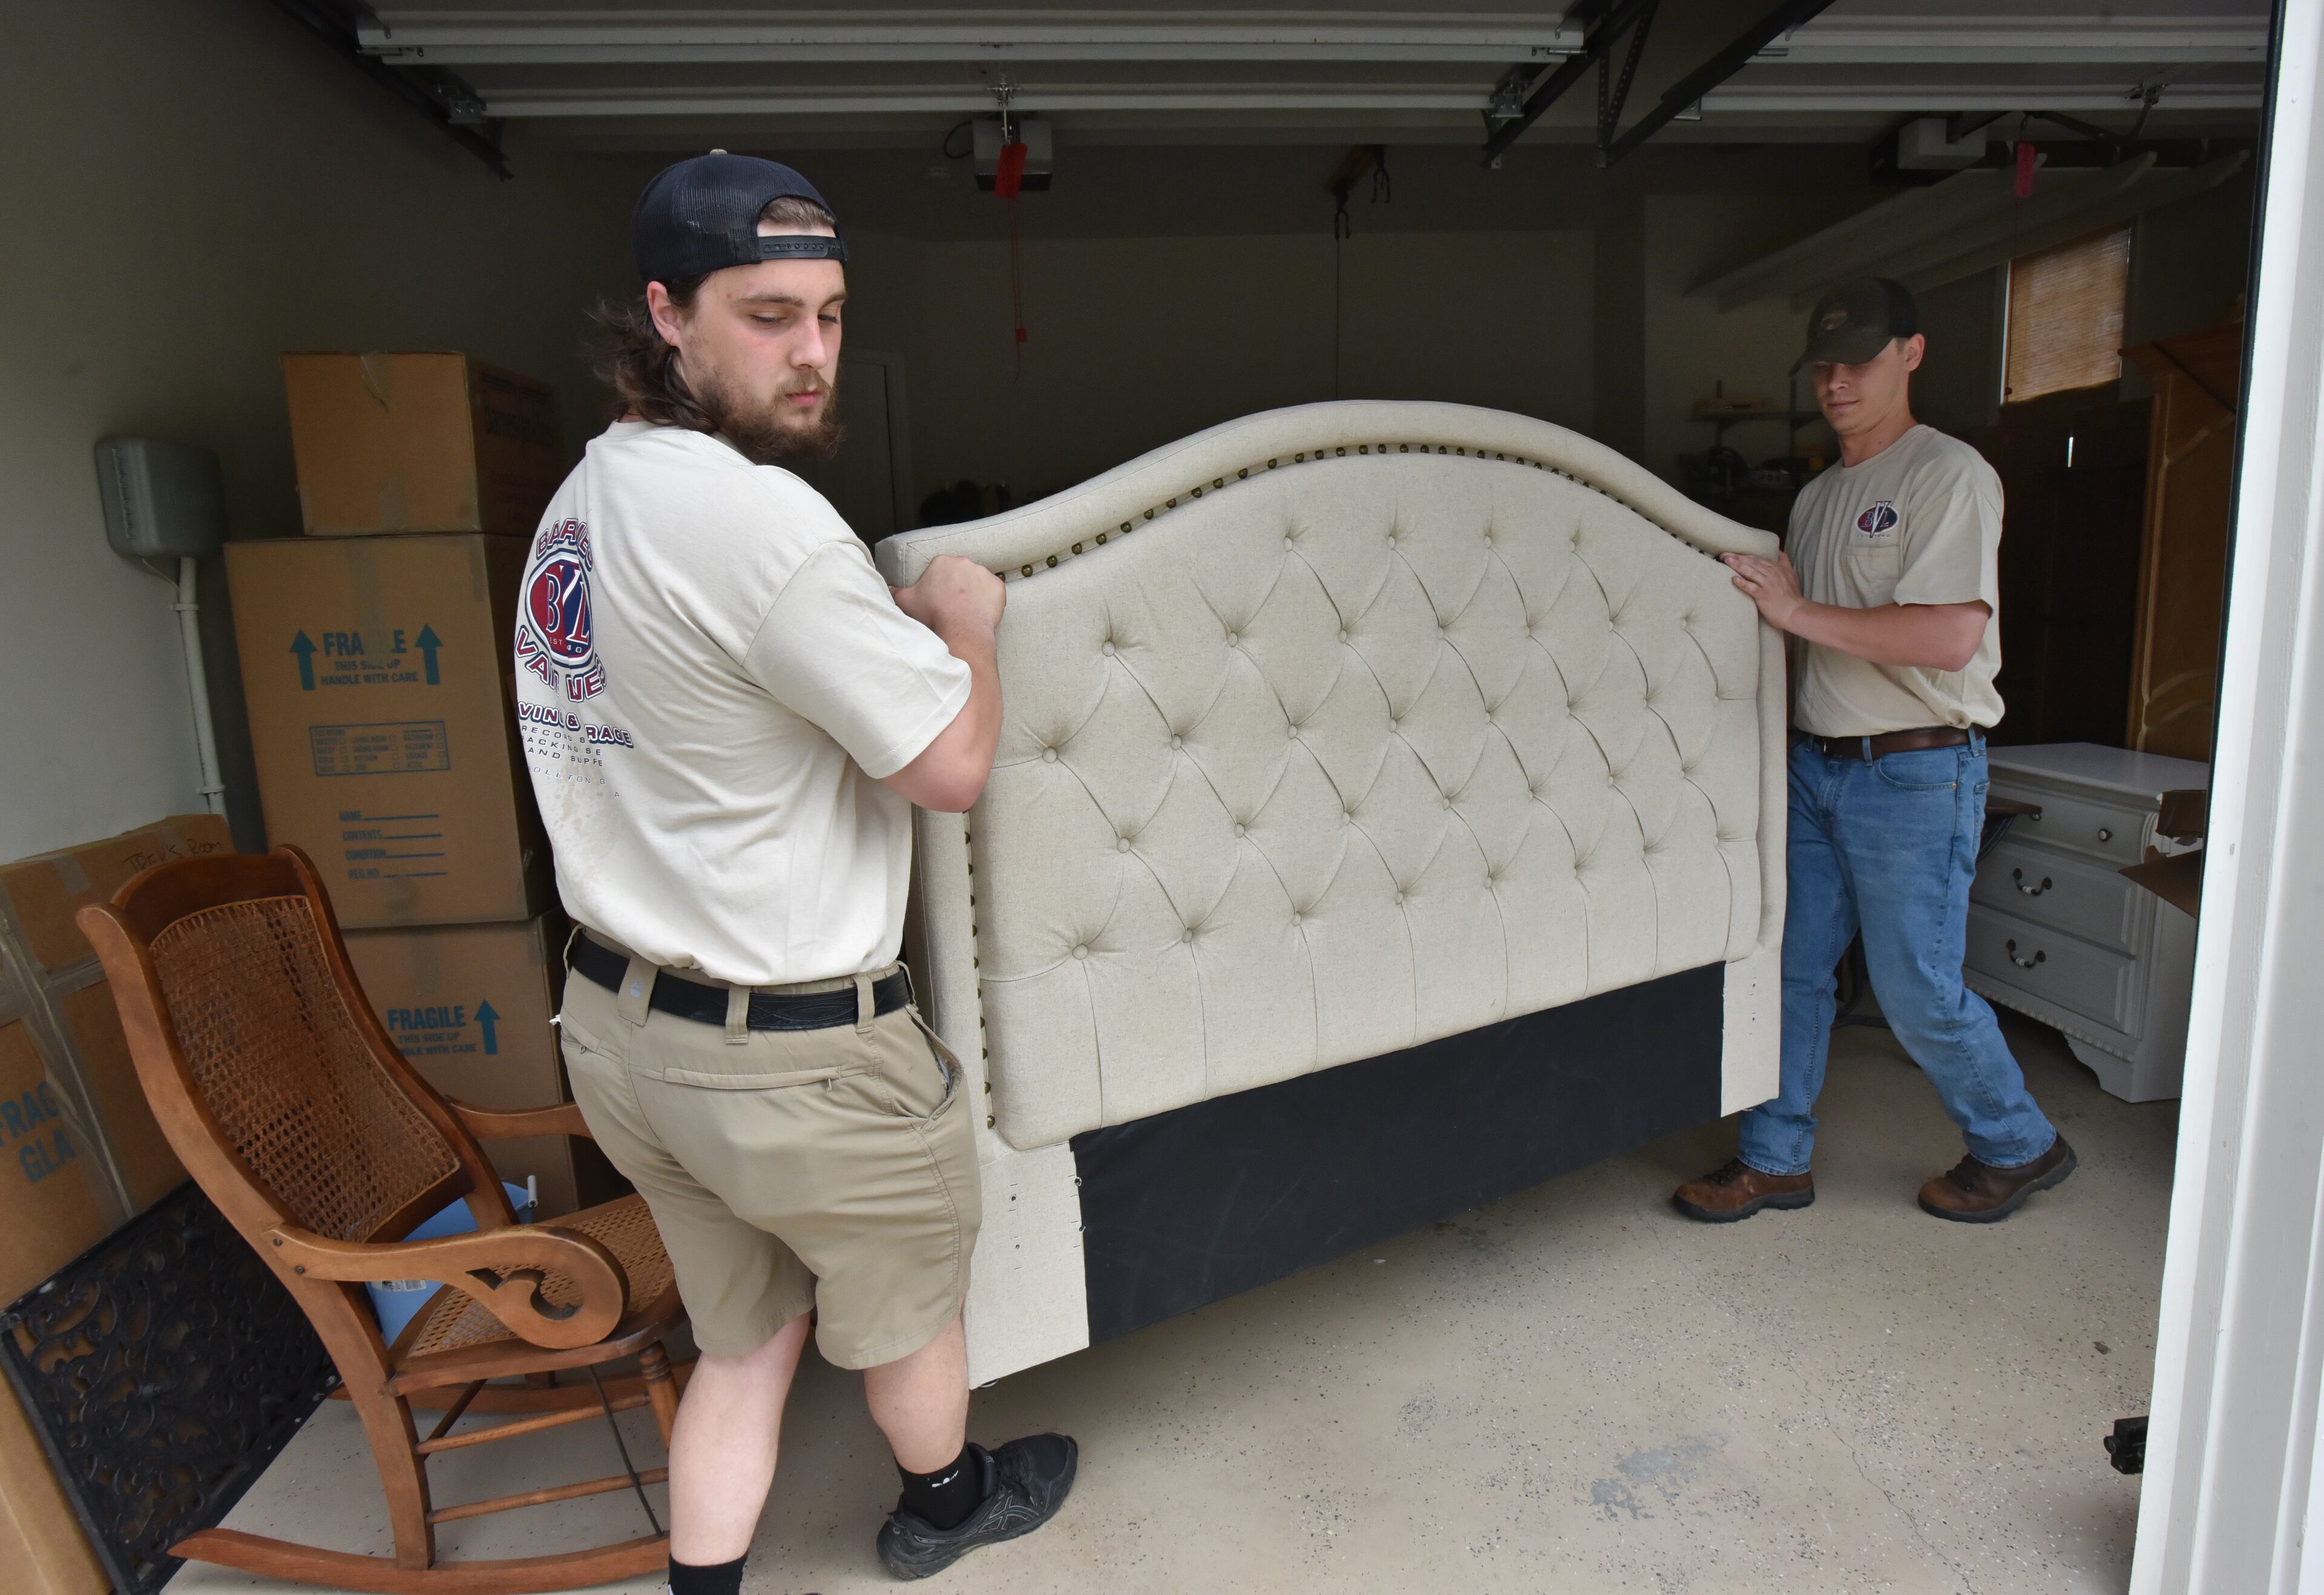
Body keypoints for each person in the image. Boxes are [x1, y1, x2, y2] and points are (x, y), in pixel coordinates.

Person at [513, 151, 1075, 1593]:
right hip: (794, 1060)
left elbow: (714, 686)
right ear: (666, 313)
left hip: (625, 1035)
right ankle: (945, 1505)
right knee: (902, 1315)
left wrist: (860, 626)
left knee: (745, 1338)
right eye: (769, 315)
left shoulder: (583, 504)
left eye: (828, 314)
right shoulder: (759, 522)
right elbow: (947, 763)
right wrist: (966, 625)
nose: (813, 352)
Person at [1673, 277, 2075, 1226]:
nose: (1839, 380)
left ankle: (2019, 1143)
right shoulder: (1818, 497)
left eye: (1859, 359)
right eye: (1824, 364)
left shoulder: (1949, 476)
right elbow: (1801, 639)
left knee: (1914, 989)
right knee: (1794, 970)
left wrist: (1795, 608)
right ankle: (1774, 1160)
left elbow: (1947, 638)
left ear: (1912, 353)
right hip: (1818, 770)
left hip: (1916, 771)